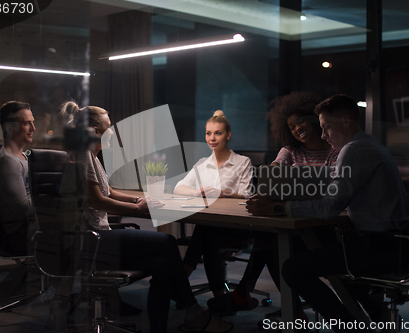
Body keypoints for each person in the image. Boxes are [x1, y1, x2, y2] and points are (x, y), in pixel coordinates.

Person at [60, 102, 233, 333]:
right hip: (89, 240)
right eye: (109, 126)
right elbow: (97, 201)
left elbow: (108, 191)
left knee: (161, 265)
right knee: (167, 243)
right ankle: (192, 310)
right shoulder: (82, 152)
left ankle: (163, 326)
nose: (113, 132)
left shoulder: (89, 154)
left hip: (97, 238)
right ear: (94, 129)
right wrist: (139, 210)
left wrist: (137, 200)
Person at [246, 94, 409, 332]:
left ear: (346, 120)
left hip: (381, 247)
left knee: (293, 268)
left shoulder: (353, 151)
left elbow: (328, 207)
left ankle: (347, 326)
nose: (323, 135)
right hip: (396, 243)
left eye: (325, 127)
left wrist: (278, 207)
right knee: (319, 244)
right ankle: (372, 310)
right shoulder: (370, 145)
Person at [207, 91, 338, 314]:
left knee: (271, 245)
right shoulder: (289, 151)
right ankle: (283, 309)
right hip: (291, 223)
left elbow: (332, 195)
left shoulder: (335, 155)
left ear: (315, 119)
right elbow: (274, 173)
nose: (297, 129)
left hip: (322, 227)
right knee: (272, 242)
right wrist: (271, 183)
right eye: (291, 126)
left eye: (300, 122)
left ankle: (247, 294)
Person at [173, 110, 253, 299]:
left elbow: (248, 196)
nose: (212, 138)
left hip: (237, 226)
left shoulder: (242, 162)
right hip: (211, 225)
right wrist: (196, 192)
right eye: (208, 133)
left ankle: (183, 275)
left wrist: (225, 194)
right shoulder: (202, 163)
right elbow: (179, 187)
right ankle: (218, 293)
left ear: (228, 135)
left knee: (205, 231)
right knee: (208, 232)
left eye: (217, 133)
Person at [0, 101, 37, 255]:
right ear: (9, 128)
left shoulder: (24, 157)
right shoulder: (6, 162)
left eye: (32, 123)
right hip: (22, 234)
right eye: (26, 123)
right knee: (79, 225)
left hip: (35, 227)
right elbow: (24, 209)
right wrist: (57, 203)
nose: (33, 129)